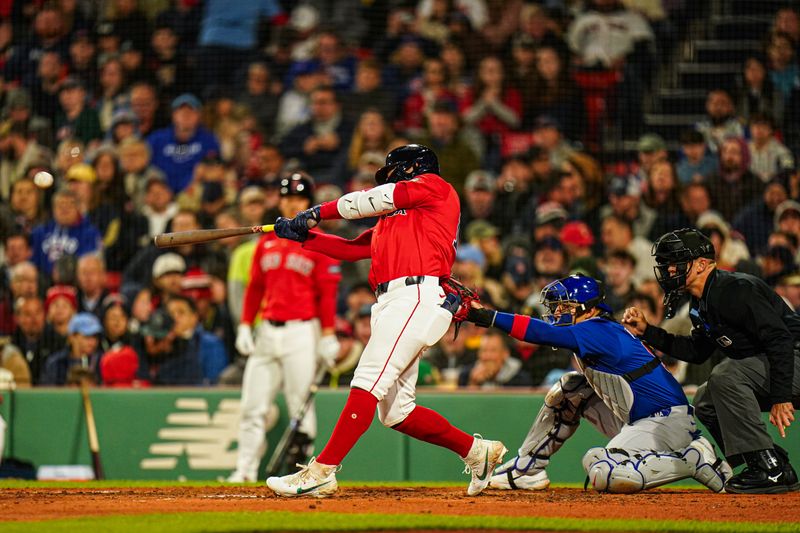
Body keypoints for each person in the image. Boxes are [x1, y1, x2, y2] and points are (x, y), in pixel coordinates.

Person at [266, 144, 507, 497]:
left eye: (394, 172)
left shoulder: (435, 188)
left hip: (415, 295)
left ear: (411, 169)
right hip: (390, 301)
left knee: (367, 380)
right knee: (396, 411)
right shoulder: (397, 219)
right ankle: (477, 452)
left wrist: (318, 211)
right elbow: (353, 249)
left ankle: (322, 471)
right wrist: (305, 236)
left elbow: (377, 197)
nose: (390, 179)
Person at [465, 274, 730, 493]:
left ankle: (692, 458)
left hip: (665, 421)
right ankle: (526, 469)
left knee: (604, 470)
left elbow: (542, 333)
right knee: (570, 389)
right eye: (557, 306)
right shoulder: (597, 328)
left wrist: (487, 316)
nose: (558, 311)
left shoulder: (597, 328)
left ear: (590, 309)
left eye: (566, 306)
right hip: (638, 417)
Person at [623, 228, 800, 494]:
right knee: (706, 399)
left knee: (726, 375)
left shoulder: (736, 289)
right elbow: (696, 352)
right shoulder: (702, 302)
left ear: (702, 264)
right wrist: (648, 331)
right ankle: (770, 463)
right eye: (667, 263)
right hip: (777, 364)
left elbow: (780, 339)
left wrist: (781, 396)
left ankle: (770, 471)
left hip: (792, 358)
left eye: (677, 262)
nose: (670, 269)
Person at [228, 171, 342, 482]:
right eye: (288, 197)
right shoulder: (267, 242)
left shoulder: (316, 243)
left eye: (300, 198)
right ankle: (244, 470)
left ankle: (302, 473)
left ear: (308, 203)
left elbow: (327, 294)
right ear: (280, 200)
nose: (293, 203)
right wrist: (244, 325)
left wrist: (328, 334)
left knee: (299, 407)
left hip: (302, 331)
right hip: (267, 330)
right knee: (252, 405)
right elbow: (254, 289)